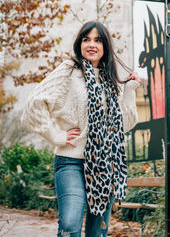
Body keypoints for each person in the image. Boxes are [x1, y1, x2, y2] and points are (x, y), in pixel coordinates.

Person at [21, 21, 140, 237]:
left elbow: (124, 125)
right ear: (79, 43)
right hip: (71, 161)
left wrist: (130, 90)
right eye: (86, 39)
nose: (91, 44)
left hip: (105, 165)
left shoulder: (110, 78)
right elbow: (34, 104)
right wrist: (55, 135)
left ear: (105, 46)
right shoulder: (69, 70)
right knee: (69, 224)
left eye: (98, 40)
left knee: (97, 232)